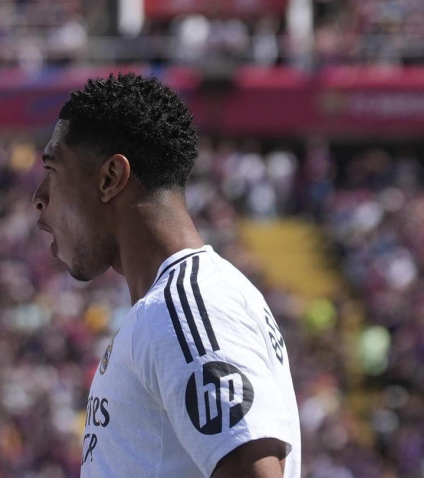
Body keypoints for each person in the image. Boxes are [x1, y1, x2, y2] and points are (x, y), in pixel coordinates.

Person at [31, 74, 301, 477]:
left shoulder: (185, 307)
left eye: (52, 169)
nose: (39, 197)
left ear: (110, 178)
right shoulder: (177, 305)